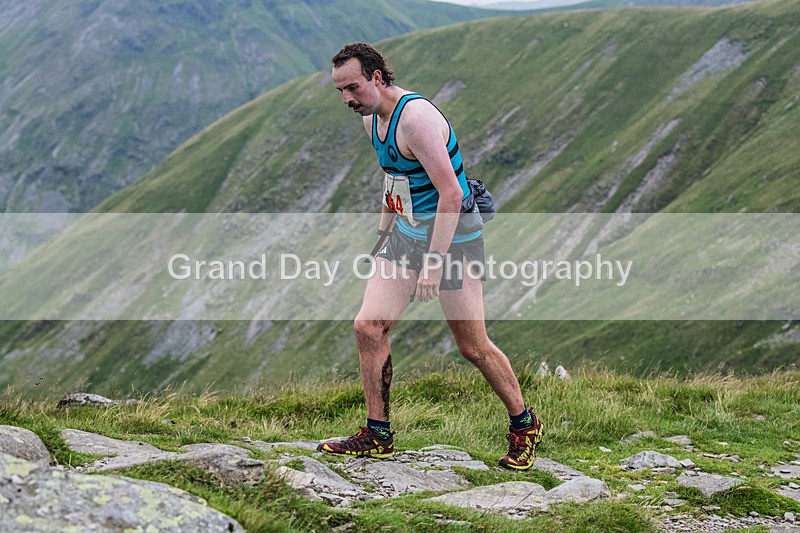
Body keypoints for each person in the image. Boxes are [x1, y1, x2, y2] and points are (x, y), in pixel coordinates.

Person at [317, 42, 543, 470]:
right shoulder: (372, 120)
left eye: (352, 88)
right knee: (368, 327)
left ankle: (524, 424)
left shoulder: (416, 119)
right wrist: (383, 234)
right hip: (406, 235)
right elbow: (395, 179)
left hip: (453, 240)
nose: (347, 99)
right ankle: (377, 433)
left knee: (472, 345)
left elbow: (452, 195)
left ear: (377, 78)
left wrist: (433, 264)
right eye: (340, 91)